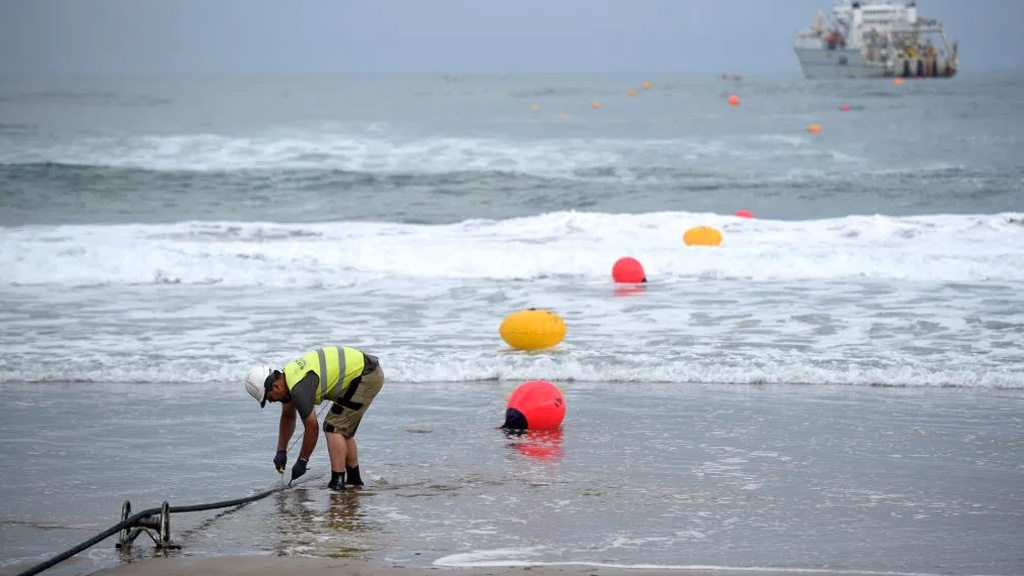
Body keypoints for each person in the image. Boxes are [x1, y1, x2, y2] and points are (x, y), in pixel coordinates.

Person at [244, 346, 384, 491]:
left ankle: (338, 483)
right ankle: (354, 481)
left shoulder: (298, 388)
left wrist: (302, 461)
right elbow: (287, 417)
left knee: (333, 427)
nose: (271, 401)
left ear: (275, 386)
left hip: (366, 375)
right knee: (341, 428)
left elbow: (312, 428)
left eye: (269, 398)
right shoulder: (289, 378)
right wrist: (281, 452)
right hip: (364, 373)